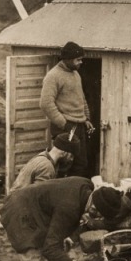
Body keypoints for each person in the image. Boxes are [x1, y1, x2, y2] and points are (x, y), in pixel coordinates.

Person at [39, 41, 93, 178]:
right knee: (63, 165)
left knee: (80, 164)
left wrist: (86, 118)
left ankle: (74, 194)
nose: (81, 62)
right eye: (78, 60)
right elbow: (45, 103)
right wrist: (64, 123)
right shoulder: (53, 76)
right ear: (68, 59)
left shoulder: (76, 74)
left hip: (79, 126)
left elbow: (81, 98)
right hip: (65, 127)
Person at [10, 132, 80, 192]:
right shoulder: (47, 166)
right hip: (20, 204)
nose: (71, 159)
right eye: (71, 156)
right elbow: (39, 196)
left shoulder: (43, 156)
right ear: (64, 153)